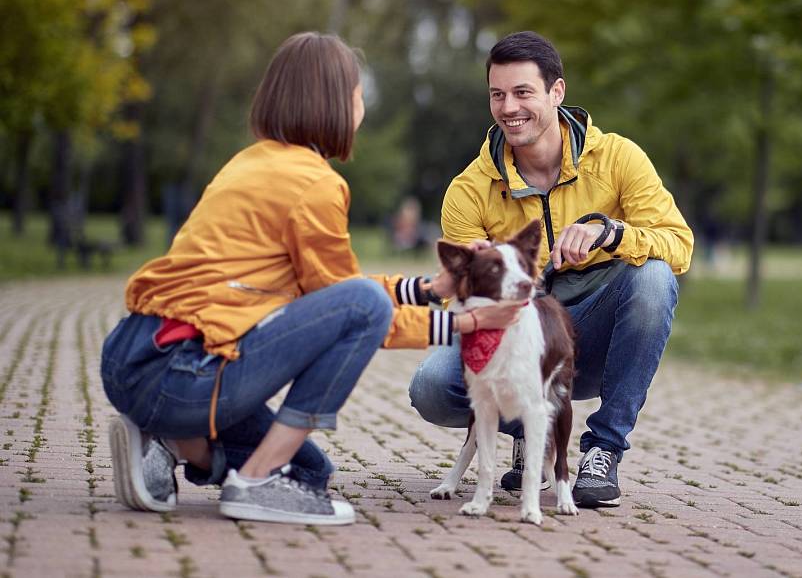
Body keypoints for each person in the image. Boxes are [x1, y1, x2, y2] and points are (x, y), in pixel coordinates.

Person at [100, 32, 520, 526]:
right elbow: (361, 310)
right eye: (358, 92)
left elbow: (328, 290)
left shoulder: (250, 161)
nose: (361, 103)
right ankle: (251, 482)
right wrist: (468, 326)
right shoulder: (315, 184)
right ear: (337, 103)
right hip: (180, 371)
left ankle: (173, 442)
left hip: (133, 354)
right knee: (363, 306)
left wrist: (428, 290)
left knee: (309, 471)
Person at [408, 31, 694, 509]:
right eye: (497, 95)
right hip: (515, 331)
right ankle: (524, 428)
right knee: (432, 387)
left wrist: (612, 233)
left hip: (593, 333)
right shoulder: (469, 190)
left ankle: (603, 450)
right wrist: (476, 273)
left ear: (556, 93)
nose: (509, 107)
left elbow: (679, 244)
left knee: (654, 278)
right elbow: (454, 297)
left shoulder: (618, 158)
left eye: (523, 93)